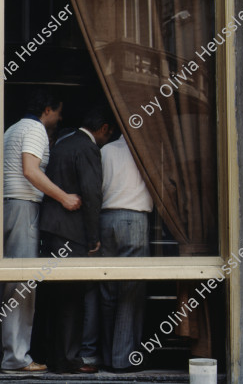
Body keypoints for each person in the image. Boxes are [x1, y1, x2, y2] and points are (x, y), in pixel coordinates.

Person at [0, 88, 81, 374]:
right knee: (23, 284)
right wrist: (64, 197)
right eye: (58, 112)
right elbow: (31, 171)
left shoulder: (12, 129)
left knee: (5, 282)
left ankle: (5, 350)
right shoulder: (35, 129)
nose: (59, 118)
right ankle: (16, 358)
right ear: (47, 109)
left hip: (4, 207)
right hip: (23, 206)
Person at [38, 107, 114, 373]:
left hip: (51, 230)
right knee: (71, 298)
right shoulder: (88, 148)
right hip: (72, 232)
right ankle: (69, 360)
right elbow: (92, 194)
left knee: (55, 297)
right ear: (104, 129)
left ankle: (53, 356)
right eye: (109, 133)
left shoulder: (64, 142)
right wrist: (94, 237)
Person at [99, 132, 153, 373]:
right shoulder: (146, 148)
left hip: (106, 218)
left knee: (108, 291)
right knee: (130, 291)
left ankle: (108, 357)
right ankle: (124, 359)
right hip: (134, 217)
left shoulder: (106, 150)